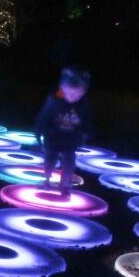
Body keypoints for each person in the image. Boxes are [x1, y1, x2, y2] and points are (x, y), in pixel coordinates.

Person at [34, 66, 94, 196]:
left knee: (69, 162)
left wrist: (87, 132)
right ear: (63, 89)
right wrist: (38, 132)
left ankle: (65, 185)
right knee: (50, 159)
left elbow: (86, 118)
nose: (74, 98)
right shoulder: (54, 100)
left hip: (71, 138)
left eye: (78, 95)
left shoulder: (82, 104)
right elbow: (44, 116)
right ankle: (46, 181)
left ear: (83, 93)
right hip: (53, 136)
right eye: (71, 94)